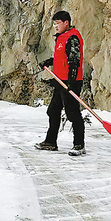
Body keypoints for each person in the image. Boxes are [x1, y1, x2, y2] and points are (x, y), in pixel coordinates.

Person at [35, 10, 86, 156]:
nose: (55, 26)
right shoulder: (62, 37)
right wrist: (49, 62)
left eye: (58, 23)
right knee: (53, 110)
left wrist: (71, 82)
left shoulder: (73, 38)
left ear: (66, 23)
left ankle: (79, 145)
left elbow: (74, 61)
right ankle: (50, 142)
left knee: (72, 113)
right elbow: (61, 58)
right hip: (60, 81)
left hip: (71, 82)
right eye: (54, 23)